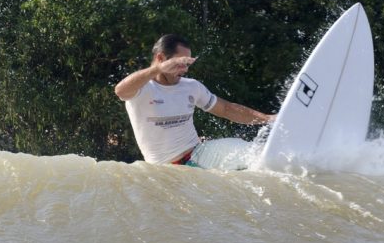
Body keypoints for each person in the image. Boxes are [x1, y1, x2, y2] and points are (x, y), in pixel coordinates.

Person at [115, 34, 274, 166]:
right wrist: (157, 69)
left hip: (200, 153)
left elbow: (226, 109)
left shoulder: (191, 87)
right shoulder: (142, 89)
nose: (185, 69)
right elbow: (120, 91)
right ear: (161, 58)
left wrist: (268, 119)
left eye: (188, 64)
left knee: (250, 152)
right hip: (167, 170)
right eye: (181, 63)